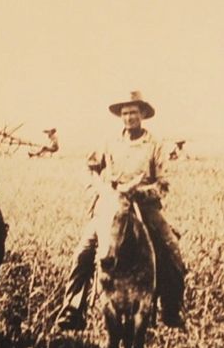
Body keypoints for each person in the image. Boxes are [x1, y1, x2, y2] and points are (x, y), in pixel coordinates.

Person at [58, 91, 187, 330]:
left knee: (172, 250)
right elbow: (90, 168)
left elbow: (163, 184)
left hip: (144, 205)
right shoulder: (109, 142)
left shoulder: (155, 145)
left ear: (143, 114)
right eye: (125, 113)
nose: (129, 118)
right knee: (83, 251)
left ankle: (171, 307)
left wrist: (140, 191)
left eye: (134, 113)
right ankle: (73, 308)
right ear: (120, 116)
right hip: (111, 204)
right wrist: (101, 189)